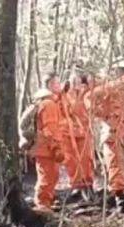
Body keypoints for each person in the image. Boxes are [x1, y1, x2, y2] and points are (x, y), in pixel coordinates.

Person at [87, 59, 124, 210]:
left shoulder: (111, 87)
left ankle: (122, 202)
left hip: (115, 133)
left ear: (117, 71)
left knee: (116, 165)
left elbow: (88, 99)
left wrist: (105, 116)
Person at [27, 73, 68, 212]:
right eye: (57, 83)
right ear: (50, 85)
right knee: (47, 177)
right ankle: (42, 206)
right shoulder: (48, 104)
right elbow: (50, 128)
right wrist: (56, 148)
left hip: (45, 148)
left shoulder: (46, 102)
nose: (59, 86)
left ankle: (46, 203)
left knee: (51, 176)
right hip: (46, 149)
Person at [60, 69, 96, 204]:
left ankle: (88, 185)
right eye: (73, 79)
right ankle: (76, 186)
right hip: (68, 133)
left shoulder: (87, 92)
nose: (76, 82)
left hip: (84, 132)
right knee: (71, 161)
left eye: (78, 79)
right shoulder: (64, 94)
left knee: (86, 159)